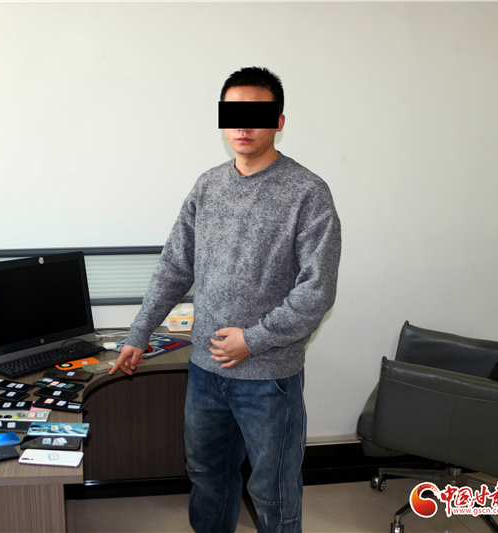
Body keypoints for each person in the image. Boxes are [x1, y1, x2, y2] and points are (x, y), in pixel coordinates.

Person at [109, 66, 341, 533]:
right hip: (205, 373)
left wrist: (252, 340)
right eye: (233, 113)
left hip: (268, 378)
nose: (243, 125)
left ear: (278, 121)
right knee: (207, 479)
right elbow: (175, 266)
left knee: (273, 493)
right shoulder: (208, 186)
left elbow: (316, 291)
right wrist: (139, 333)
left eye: (257, 114)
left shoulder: (308, 193)